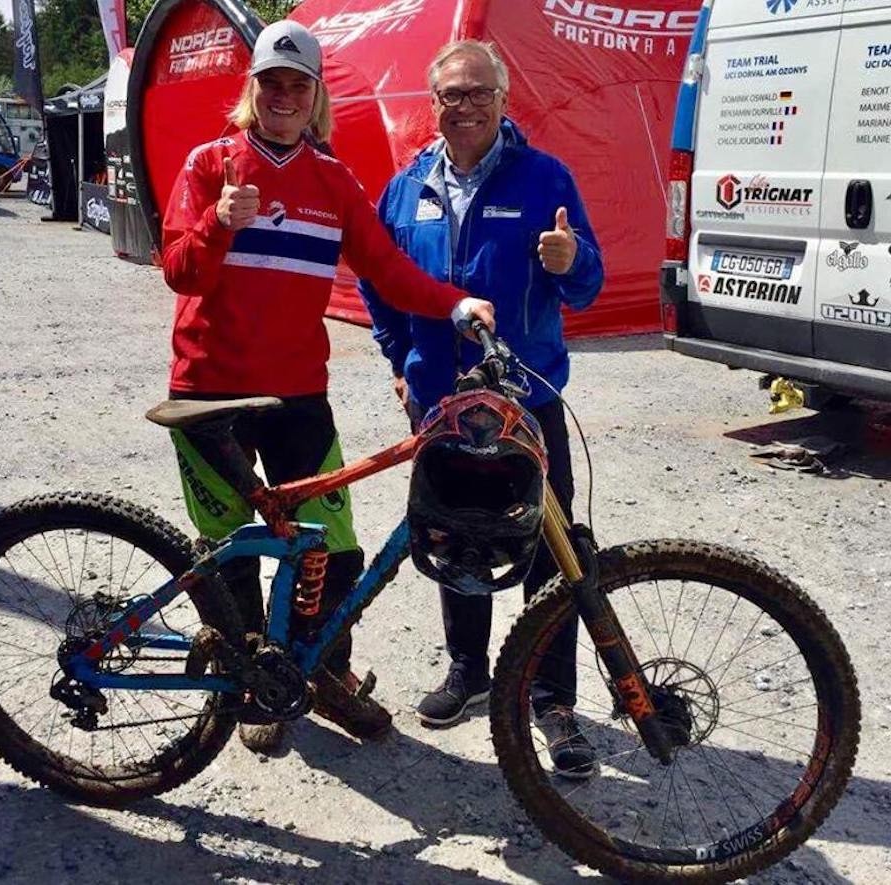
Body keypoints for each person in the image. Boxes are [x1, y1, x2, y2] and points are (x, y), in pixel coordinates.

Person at [159, 21, 495, 754]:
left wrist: (456, 304)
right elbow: (178, 271)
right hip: (208, 393)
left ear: (314, 98)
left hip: (296, 398)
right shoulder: (210, 162)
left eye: (296, 84)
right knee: (235, 555)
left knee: (335, 555)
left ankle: (321, 674)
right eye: (270, 83)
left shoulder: (333, 180)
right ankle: (256, 689)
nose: (282, 96)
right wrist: (218, 223)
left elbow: (389, 271)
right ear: (251, 91)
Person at [358, 40, 604, 778]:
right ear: (431, 105)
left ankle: (553, 698)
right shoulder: (406, 188)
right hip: (439, 403)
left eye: (474, 93)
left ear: (502, 98)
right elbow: (378, 278)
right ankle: (468, 671)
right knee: (451, 539)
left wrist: (571, 260)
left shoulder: (543, 178)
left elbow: (588, 282)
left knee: (550, 549)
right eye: (448, 95)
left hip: (525, 400)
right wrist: (399, 359)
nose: (461, 106)